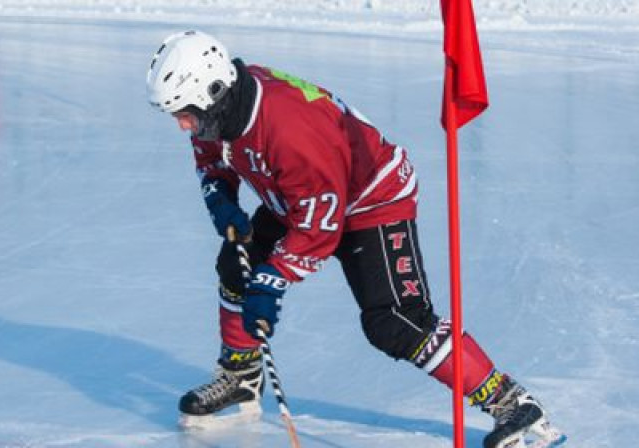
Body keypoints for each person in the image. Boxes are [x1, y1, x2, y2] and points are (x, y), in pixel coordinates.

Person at [145, 30, 566, 448]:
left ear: (216, 92)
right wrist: (220, 197)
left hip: (371, 199)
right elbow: (212, 152)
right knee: (235, 267)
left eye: (187, 113)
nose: (184, 124)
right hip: (301, 195)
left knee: (394, 321)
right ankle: (240, 375)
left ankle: (513, 405)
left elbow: (320, 226)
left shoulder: (290, 129)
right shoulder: (225, 111)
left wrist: (273, 279)